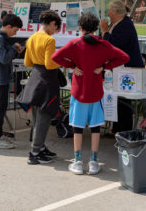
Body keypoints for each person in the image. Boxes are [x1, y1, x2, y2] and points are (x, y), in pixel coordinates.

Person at [52, 13, 129, 175]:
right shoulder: (103, 44)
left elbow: (55, 57)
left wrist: (73, 66)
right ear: (96, 28)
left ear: (80, 27)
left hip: (78, 92)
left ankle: (78, 161)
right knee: (95, 128)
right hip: (96, 92)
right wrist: (104, 67)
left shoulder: (74, 43)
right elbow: (124, 57)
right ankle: (94, 161)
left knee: (78, 128)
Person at [17, 10, 62, 165]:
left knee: (37, 117)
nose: (55, 31)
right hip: (47, 81)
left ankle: (40, 148)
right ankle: (35, 152)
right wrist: (63, 60)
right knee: (44, 117)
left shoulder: (31, 38)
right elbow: (50, 64)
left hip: (35, 78)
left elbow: (28, 63)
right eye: (56, 28)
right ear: (52, 23)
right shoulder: (49, 40)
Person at [100, 0, 144, 134]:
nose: (108, 14)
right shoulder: (118, 24)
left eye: (109, 11)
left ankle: (124, 130)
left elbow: (113, 46)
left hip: (128, 68)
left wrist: (105, 31)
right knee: (118, 99)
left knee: (124, 100)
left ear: (116, 12)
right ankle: (117, 128)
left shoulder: (125, 25)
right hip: (120, 68)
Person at [0, 14, 24, 149]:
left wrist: (14, 50)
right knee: (0, 109)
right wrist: (14, 48)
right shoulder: (0, 39)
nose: (15, 33)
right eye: (15, 30)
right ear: (8, 26)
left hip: (1, 78)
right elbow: (4, 59)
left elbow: (5, 57)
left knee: (2, 108)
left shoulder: (1, 38)